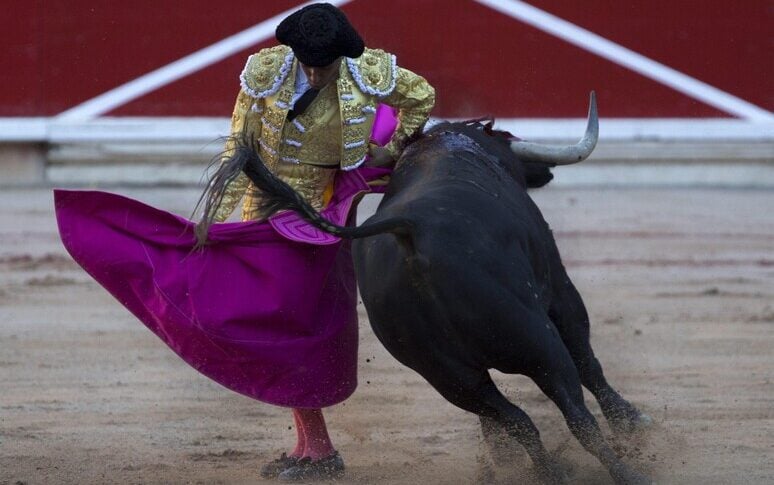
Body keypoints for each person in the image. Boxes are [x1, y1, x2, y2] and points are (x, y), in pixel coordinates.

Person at [198, 3, 435, 481]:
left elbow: (422, 97)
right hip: (260, 206)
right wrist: (213, 223)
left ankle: (320, 449)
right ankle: (308, 446)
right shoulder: (266, 71)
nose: (312, 73)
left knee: (294, 324)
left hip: (317, 212)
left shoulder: (366, 73)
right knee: (278, 325)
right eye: (306, 63)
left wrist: (390, 151)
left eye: (322, 66)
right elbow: (237, 148)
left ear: (340, 58)